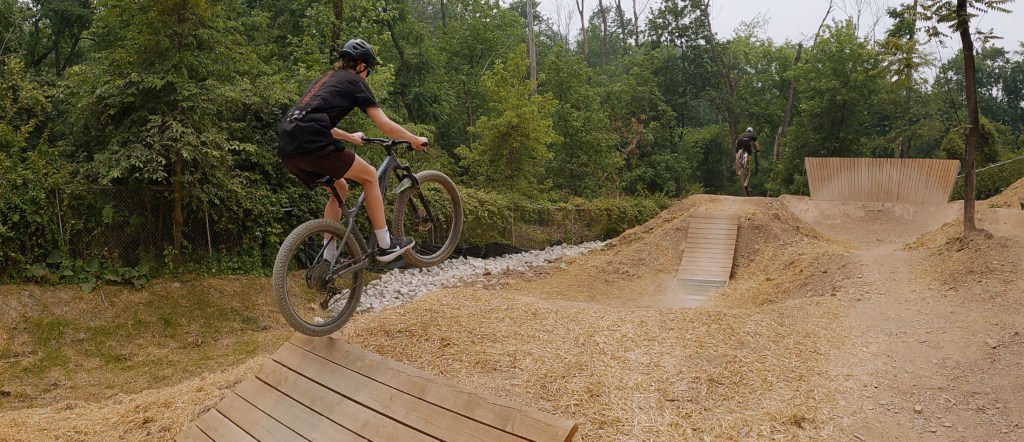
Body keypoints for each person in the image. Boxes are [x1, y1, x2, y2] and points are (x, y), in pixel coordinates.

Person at [278, 39, 428, 262]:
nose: (368, 75)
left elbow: (311, 120)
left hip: (289, 147)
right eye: (370, 71)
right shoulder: (355, 81)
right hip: (313, 143)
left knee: (340, 187)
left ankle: (328, 259)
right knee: (369, 176)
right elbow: (384, 125)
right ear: (361, 66)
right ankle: (385, 245)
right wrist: (414, 139)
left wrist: (349, 137)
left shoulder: (325, 79)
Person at [735, 127, 760, 196]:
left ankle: (737, 160)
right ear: (752, 131)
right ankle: (747, 163)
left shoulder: (742, 134)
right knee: (749, 154)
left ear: (746, 131)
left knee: (737, 152)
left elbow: (736, 141)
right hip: (746, 143)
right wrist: (758, 149)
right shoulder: (753, 135)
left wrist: (737, 149)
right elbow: (756, 143)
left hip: (739, 142)